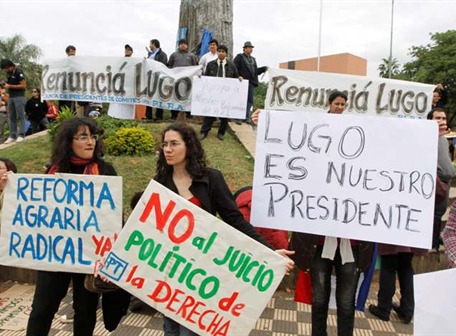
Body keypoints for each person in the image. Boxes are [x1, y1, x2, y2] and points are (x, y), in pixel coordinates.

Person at [154, 121, 294, 335]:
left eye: (174, 143)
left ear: (189, 146)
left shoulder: (211, 178)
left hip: (199, 272)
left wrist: (269, 251)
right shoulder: (160, 181)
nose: (168, 149)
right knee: (170, 330)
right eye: (165, 144)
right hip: (169, 268)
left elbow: (235, 219)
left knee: (189, 331)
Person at [252, 91, 374, 336]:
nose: (340, 107)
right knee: (319, 300)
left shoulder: (362, 155)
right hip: (319, 244)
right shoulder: (314, 136)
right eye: (336, 103)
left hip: (352, 244)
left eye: (343, 104)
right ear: (329, 104)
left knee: (346, 303)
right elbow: (286, 146)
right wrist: (263, 124)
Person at [25, 117, 129, 336]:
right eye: (82, 137)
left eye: (93, 136)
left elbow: (113, 217)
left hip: (89, 256)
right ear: (68, 141)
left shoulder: (105, 172)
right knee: (42, 310)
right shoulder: (53, 172)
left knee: (85, 311)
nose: (90, 142)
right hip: (55, 252)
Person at [200, 44, 241, 141]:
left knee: (224, 114)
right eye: (219, 51)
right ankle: (204, 131)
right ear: (217, 52)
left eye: (223, 51)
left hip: (226, 94)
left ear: (226, 54)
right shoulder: (210, 64)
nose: (221, 53)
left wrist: (239, 78)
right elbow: (206, 78)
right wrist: (201, 79)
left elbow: (236, 77)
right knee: (210, 112)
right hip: (213, 93)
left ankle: (221, 132)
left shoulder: (231, 65)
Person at [427, 108, 455, 249]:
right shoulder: (427, 138)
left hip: (446, 180)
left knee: (440, 211)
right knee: (434, 213)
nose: (441, 121)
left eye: (443, 118)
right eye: (437, 118)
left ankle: (436, 237)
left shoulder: (443, 138)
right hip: (437, 181)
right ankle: (431, 242)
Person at [233, 41, 267, 125]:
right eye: (249, 47)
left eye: (251, 48)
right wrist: (238, 76)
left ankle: (246, 117)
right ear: (245, 48)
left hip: (251, 82)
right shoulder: (239, 57)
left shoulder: (253, 59)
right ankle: (238, 117)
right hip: (242, 82)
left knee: (250, 101)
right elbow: (234, 68)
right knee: (241, 100)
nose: (251, 49)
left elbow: (255, 72)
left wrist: (263, 69)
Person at [167, 39, 198, 120]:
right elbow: (169, 66)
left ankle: (189, 114)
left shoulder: (192, 56)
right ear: (179, 45)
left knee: (188, 96)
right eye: (181, 44)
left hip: (188, 81)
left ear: (187, 45)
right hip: (176, 80)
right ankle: (174, 115)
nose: (183, 45)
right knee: (175, 96)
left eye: (184, 44)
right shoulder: (173, 55)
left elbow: (196, 67)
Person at [1, 59, 27, 144]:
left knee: (20, 116)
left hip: (19, 97)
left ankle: (21, 135)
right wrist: (5, 85)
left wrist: (10, 86)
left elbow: (23, 86)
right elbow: (8, 85)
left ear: (10, 66)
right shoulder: (8, 73)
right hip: (11, 97)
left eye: (6, 68)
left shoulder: (18, 72)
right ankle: (12, 135)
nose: (6, 70)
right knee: (11, 117)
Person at [145, 39, 168, 121]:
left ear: (154, 44)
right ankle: (148, 116)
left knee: (159, 96)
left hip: (158, 78)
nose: (149, 45)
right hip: (150, 78)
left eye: (150, 44)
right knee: (148, 96)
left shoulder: (162, 54)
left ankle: (159, 116)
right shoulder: (150, 54)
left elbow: (163, 65)